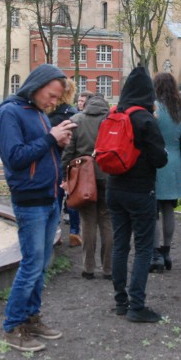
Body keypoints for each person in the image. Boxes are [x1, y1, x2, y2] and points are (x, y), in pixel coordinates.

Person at [0, 65, 77, 352]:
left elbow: (41, 153)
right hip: (30, 200)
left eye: (57, 98)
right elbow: (15, 157)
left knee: (40, 266)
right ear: (36, 86)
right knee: (31, 265)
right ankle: (12, 326)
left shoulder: (38, 113)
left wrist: (59, 144)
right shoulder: (9, 113)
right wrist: (51, 138)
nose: (53, 102)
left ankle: (31, 318)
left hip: (50, 197)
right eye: (51, 96)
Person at [106, 65, 168, 323]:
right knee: (143, 248)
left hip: (114, 188)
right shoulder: (145, 119)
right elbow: (160, 159)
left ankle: (120, 302)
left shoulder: (114, 113)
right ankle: (137, 305)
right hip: (140, 190)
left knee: (120, 245)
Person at [62, 91, 114, 279]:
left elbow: (68, 152)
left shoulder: (77, 120)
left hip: (84, 176)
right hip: (108, 175)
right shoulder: (112, 120)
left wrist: (65, 176)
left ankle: (88, 268)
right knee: (107, 220)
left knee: (87, 220)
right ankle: (108, 268)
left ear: (87, 104)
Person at [150, 72, 181, 274]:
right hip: (175, 161)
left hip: (156, 160)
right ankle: (167, 252)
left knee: (153, 210)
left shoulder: (154, 108)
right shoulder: (180, 109)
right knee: (169, 208)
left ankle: (155, 253)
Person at [50, 80, 81, 247]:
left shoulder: (48, 114)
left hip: (54, 161)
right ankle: (74, 232)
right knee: (73, 198)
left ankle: (56, 233)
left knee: (56, 198)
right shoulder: (73, 114)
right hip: (72, 162)